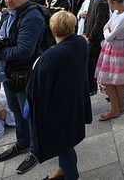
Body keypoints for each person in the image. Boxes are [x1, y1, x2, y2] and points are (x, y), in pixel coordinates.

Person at [26, 10, 92, 180]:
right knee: (66, 141)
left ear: (52, 28)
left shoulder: (51, 55)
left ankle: (70, 175)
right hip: (74, 101)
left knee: (64, 144)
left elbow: (40, 90)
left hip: (58, 109)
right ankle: (62, 170)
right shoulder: (80, 42)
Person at [0, 0, 45, 175]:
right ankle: (22, 143)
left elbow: (24, 50)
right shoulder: (8, 14)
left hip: (25, 72)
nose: (8, 0)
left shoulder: (32, 17)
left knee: (28, 112)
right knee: (15, 110)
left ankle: (36, 149)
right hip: (8, 73)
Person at [95, 0, 124, 121]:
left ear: (115, 3)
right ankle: (120, 105)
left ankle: (114, 108)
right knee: (117, 80)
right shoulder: (117, 13)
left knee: (109, 79)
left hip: (116, 48)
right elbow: (108, 24)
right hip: (115, 47)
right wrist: (107, 28)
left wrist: (106, 30)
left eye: (110, 5)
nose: (110, 8)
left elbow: (108, 36)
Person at [82, 0, 110, 96]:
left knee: (91, 61)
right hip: (89, 35)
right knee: (90, 61)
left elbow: (99, 22)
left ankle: (92, 87)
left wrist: (90, 36)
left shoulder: (102, 1)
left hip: (96, 37)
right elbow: (89, 18)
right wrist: (84, 33)